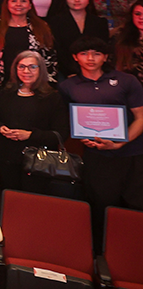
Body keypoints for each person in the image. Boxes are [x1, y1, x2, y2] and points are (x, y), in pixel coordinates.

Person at [57, 37, 143, 248]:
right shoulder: (68, 86)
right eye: (84, 54)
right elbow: (69, 120)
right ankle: (102, 253)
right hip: (96, 157)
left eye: (96, 54)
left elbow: (141, 117)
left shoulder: (127, 81)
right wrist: (82, 137)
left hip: (132, 154)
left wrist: (120, 143)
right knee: (101, 208)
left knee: (135, 207)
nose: (90, 58)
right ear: (75, 57)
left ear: (105, 57)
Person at [0, 50, 68, 193]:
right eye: (22, 67)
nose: (26, 71)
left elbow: (61, 134)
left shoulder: (52, 98)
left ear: (41, 70)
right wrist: (0, 128)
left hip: (38, 164)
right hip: (5, 159)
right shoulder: (6, 93)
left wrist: (30, 135)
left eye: (32, 67)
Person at [0, 0, 57, 97]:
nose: (18, 4)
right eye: (14, 1)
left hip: (34, 82)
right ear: (7, 5)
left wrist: (49, 82)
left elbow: (50, 56)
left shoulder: (40, 26)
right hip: (2, 82)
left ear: (30, 6)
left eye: (23, 1)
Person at [49, 0, 110, 79]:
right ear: (65, 0)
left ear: (89, 0)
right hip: (64, 71)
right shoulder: (55, 22)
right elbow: (57, 50)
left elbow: (103, 48)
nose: (77, 0)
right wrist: (68, 72)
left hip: (95, 70)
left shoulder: (100, 22)